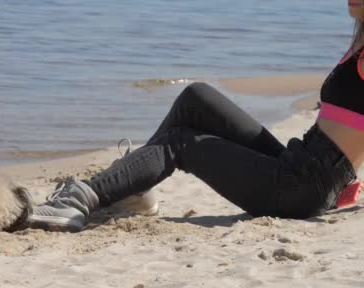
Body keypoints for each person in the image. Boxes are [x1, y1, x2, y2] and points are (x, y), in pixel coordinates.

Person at [27, 1, 364, 232]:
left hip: (300, 187)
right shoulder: (358, 42)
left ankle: (82, 198)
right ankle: (132, 185)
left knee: (182, 143)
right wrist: (343, 181)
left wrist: (335, 182)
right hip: (304, 169)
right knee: (197, 97)